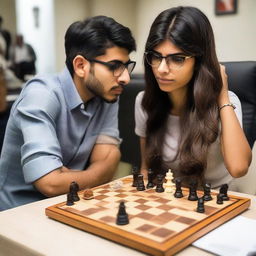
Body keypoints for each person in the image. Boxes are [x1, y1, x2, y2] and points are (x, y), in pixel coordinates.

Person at [0, 15, 136, 211]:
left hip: (69, 204)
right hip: (17, 212)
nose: (125, 78)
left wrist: (70, 177)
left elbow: (109, 158)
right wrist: (95, 174)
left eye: (126, 66)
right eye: (115, 67)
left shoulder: (108, 93)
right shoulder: (41, 95)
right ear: (81, 65)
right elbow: (50, 183)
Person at [135, 6, 251, 189]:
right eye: (156, 57)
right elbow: (146, 169)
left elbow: (238, 168)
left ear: (199, 61)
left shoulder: (227, 102)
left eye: (177, 59)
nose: (162, 69)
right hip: (171, 201)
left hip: (216, 201)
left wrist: (221, 97)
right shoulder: (144, 101)